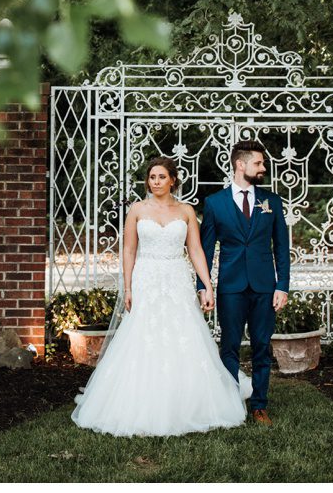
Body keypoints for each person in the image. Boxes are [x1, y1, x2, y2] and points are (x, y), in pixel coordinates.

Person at [70, 156, 248, 436]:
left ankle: (189, 402)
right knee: (144, 334)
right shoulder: (137, 210)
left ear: (173, 180)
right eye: (152, 177)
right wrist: (128, 287)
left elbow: (196, 251)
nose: (156, 182)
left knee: (183, 334)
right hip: (147, 279)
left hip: (176, 278)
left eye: (161, 177)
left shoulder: (187, 211)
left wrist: (207, 284)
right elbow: (128, 251)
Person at [197, 141, 291, 424]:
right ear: (241, 165)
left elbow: (281, 248)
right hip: (231, 287)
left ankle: (259, 405)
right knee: (229, 346)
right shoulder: (215, 203)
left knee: (262, 346)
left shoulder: (271, 202)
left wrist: (282, 285)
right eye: (259, 163)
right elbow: (205, 249)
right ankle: (230, 405)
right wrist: (203, 287)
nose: (263, 168)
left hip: (264, 287)